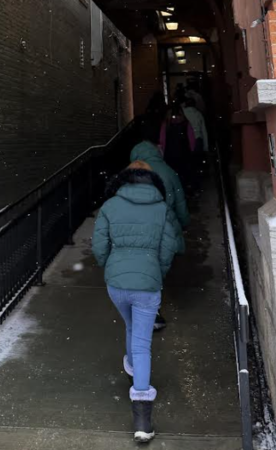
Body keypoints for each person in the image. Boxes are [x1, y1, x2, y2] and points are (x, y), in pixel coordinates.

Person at [93, 161, 178, 444]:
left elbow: (98, 246)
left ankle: (131, 368)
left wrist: (110, 268)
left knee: (130, 326)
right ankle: (142, 419)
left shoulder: (110, 206)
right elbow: (168, 247)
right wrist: (157, 271)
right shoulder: (161, 208)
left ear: (125, 180)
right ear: (151, 181)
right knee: (143, 343)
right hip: (147, 283)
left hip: (116, 283)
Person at [130, 128, 190, 331]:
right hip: (164, 224)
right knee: (157, 267)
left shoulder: (131, 173)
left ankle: (144, 309)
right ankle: (150, 309)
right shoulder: (168, 171)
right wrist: (183, 222)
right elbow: (180, 201)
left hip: (137, 228)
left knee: (141, 267)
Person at [159, 102, 196, 195]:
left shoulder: (166, 124)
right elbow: (192, 139)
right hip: (184, 154)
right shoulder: (186, 123)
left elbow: (162, 140)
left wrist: (162, 154)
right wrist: (191, 151)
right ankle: (184, 193)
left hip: (169, 155)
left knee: (172, 177)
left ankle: (174, 193)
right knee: (184, 176)